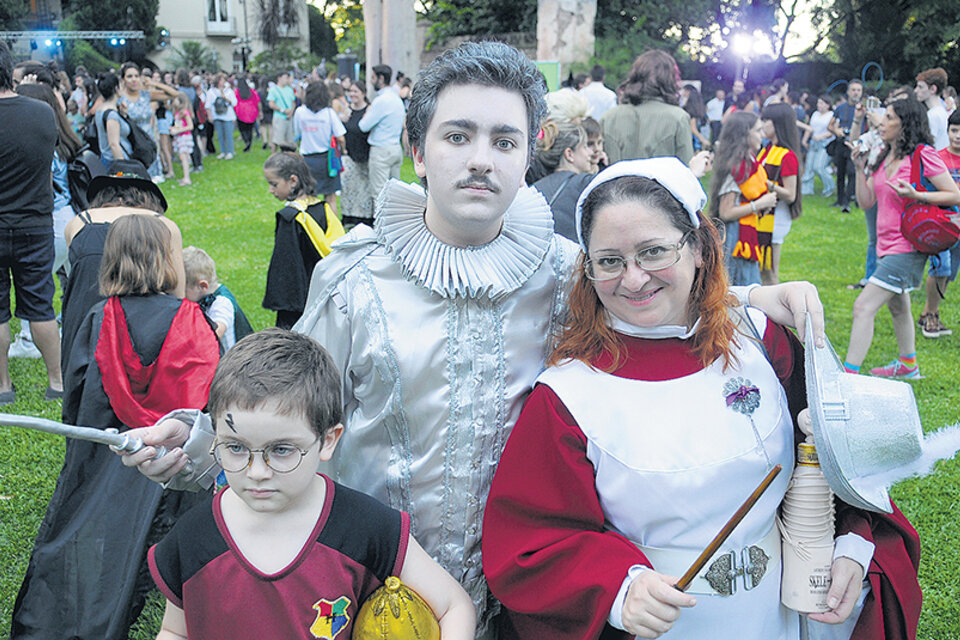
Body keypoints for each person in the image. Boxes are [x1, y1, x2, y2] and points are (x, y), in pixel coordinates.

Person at [119, 41, 829, 640]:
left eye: (504, 140)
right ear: (418, 150)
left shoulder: (566, 273)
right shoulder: (355, 279)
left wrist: (751, 297)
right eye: (458, 136)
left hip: (524, 596)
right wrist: (192, 441)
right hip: (375, 589)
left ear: (530, 156)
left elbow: (655, 300)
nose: (480, 159)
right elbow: (284, 404)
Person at [481, 157, 921, 640]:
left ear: (697, 248)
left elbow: (835, 462)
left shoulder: (761, 341)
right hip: (660, 626)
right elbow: (533, 539)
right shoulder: (567, 395)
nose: (632, 278)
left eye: (653, 252)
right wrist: (617, 586)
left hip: (782, 612)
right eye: (609, 261)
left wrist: (850, 545)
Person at [148, 328, 476, 640]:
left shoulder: (365, 528)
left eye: (281, 450)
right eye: (236, 447)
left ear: (328, 440)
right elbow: (176, 631)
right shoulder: (193, 537)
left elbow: (453, 606)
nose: (258, 471)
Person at [11, 214, 220, 640]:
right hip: (172, 453)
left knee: (92, 523)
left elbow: (79, 387)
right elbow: (205, 394)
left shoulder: (97, 316)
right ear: (168, 260)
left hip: (110, 447)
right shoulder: (190, 318)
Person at [845, 97, 960, 378]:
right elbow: (866, 201)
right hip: (885, 245)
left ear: (905, 123)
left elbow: (955, 194)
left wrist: (917, 195)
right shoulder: (884, 155)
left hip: (908, 246)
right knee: (898, 307)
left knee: (863, 306)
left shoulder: (923, 154)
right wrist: (860, 168)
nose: (881, 122)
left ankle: (847, 378)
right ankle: (909, 365)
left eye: (889, 117)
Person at [60, 161, 186, 371]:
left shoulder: (79, 222)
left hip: (84, 327)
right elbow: (177, 294)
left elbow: (75, 280)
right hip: (143, 328)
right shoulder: (165, 226)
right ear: (149, 195)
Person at [0, 42, 64, 403]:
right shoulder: (42, 113)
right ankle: (57, 383)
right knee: (41, 305)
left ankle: (3, 387)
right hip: (35, 223)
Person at [262, 152, 345, 330]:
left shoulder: (290, 218)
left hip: (299, 301)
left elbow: (286, 269)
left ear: (293, 181)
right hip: (323, 293)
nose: (271, 190)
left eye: (273, 184)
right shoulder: (323, 208)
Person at [709, 110, 777, 286]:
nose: (762, 135)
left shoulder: (749, 161)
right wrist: (759, 204)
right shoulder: (736, 167)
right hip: (735, 237)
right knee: (740, 288)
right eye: (757, 130)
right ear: (744, 134)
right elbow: (726, 212)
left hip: (744, 231)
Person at [601, 50, 693, 165]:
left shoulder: (608, 117)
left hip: (615, 182)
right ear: (670, 79)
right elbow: (686, 170)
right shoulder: (678, 118)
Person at [918, 108, 960, 338]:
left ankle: (928, 313)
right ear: (948, 131)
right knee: (940, 268)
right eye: (954, 130)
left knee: (950, 272)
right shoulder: (938, 158)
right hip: (942, 225)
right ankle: (931, 316)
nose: (958, 136)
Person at [758, 102, 803, 285]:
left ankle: (777, 312)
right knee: (762, 270)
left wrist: (767, 185)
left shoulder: (787, 156)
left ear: (777, 124)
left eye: (766, 120)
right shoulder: (767, 149)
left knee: (770, 272)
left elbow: (790, 194)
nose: (762, 124)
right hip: (764, 214)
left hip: (777, 217)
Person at [531, 118, 596, 241]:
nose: (590, 153)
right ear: (569, 154)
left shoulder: (533, 189)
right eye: (585, 146)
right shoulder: (585, 184)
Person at [182, 245, 253, 351]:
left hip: (229, 362)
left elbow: (215, 334)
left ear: (202, 286)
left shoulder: (222, 303)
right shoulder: (203, 293)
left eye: (183, 289)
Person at [294, 81, 347, 217]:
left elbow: (297, 133)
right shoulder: (329, 113)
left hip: (307, 159)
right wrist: (343, 150)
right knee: (330, 198)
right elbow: (340, 136)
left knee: (309, 198)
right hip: (326, 160)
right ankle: (334, 230)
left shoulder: (300, 112)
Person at [119, 62, 178, 181]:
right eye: (129, 76)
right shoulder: (120, 98)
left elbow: (173, 94)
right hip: (131, 142)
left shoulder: (145, 95)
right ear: (123, 79)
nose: (134, 80)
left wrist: (153, 83)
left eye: (136, 76)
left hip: (147, 140)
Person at [358, 64, 405, 201]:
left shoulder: (381, 101)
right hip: (396, 148)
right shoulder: (396, 99)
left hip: (381, 151)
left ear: (381, 78)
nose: (371, 81)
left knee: (379, 194)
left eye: (373, 77)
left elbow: (363, 126)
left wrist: (366, 114)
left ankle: (380, 223)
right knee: (394, 194)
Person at [340, 80, 374, 227]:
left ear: (363, 93)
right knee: (349, 188)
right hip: (348, 155)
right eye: (351, 91)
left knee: (365, 189)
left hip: (365, 155)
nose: (352, 94)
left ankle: (365, 218)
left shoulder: (370, 110)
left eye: (356, 92)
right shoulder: (347, 111)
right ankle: (349, 217)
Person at [829, 79, 865, 213]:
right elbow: (830, 125)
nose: (856, 93)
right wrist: (836, 131)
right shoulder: (841, 108)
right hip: (841, 143)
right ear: (848, 92)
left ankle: (847, 200)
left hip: (856, 144)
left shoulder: (863, 109)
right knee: (840, 172)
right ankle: (839, 199)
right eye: (853, 90)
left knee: (852, 172)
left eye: (858, 90)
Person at [94, 72, 133, 169]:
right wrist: (123, 169)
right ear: (116, 88)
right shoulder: (112, 115)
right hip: (115, 161)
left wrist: (123, 114)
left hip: (107, 159)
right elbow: (114, 144)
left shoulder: (100, 110)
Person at [801, 94, 837, 198]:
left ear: (827, 105)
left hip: (825, 143)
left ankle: (829, 187)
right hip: (813, 143)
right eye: (818, 103)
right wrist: (804, 140)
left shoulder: (831, 115)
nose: (819, 105)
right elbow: (810, 128)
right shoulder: (815, 114)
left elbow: (832, 131)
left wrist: (821, 136)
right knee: (809, 166)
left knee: (819, 167)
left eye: (821, 103)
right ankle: (806, 190)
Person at [205, 73, 238, 160]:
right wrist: (210, 116)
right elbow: (207, 105)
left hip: (228, 116)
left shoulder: (229, 91)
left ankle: (230, 151)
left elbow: (234, 103)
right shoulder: (211, 92)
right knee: (220, 135)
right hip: (216, 116)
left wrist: (225, 98)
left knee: (228, 134)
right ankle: (223, 151)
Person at [915, 67, 949, 151]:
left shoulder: (932, 116)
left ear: (933, 89)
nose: (916, 90)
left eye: (920, 87)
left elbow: (928, 147)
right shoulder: (942, 112)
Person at [169, 92, 194, 186]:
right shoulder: (177, 112)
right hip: (180, 137)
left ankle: (187, 178)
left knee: (184, 158)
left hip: (184, 137)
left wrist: (178, 131)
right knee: (182, 157)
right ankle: (185, 176)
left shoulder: (184, 112)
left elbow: (190, 126)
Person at [268, 71, 296, 151]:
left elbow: (293, 102)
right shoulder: (274, 90)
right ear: (279, 79)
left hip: (289, 118)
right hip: (279, 117)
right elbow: (271, 104)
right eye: (285, 78)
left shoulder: (290, 89)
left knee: (290, 140)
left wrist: (291, 112)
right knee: (277, 140)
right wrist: (282, 110)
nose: (287, 80)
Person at [234, 76, 261, 152]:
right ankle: (249, 142)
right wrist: (259, 111)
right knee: (250, 129)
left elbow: (234, 102)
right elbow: (258, 101)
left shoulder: (236, 92)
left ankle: (246, 141)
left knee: (242, 129)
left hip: (241, 111)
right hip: (251, 111)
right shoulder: (252, 91)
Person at [682, 84, 711, 151]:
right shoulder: (700, 108)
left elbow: (693, 128)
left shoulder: (689, 109)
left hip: (693, 142)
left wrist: (702, 140)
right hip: (699, 141)